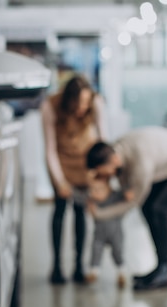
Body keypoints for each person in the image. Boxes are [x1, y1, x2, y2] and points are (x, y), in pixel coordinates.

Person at [85, 126, 167, 291]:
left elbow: (132, 202)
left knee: (159, 210)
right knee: (148, 208)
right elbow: (125, 181)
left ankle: (164, 271)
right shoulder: (115, 149)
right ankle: (160, 268)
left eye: (104, 173)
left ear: (112, 161)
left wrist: (100, 214)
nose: (105, 177)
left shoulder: (140, 163)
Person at [41, 74, 109, 284]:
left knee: (81, 211)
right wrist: (59, 181)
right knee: (60, 210)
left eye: (86, 103)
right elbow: (50, 149)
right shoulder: (50, 106)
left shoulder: (97, 102)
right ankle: (57, 266)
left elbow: (102, 140)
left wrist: (100, 174)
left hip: (84, 161)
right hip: (60, 160)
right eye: (78, 103)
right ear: (68, 99)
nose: (82, 108)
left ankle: (79, 265)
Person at [85, 173, 128, 288]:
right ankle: (94, 271)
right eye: (93, 190)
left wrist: (128, 193)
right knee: (95, 250)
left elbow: (125, 193)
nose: (96, 192)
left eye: (99, 189)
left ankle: (122, 271)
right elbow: (79, 197)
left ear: (108, 188)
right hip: (99, 234)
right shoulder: (92, 201)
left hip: (115, 233)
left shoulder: (114, 197)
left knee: (117, 253)